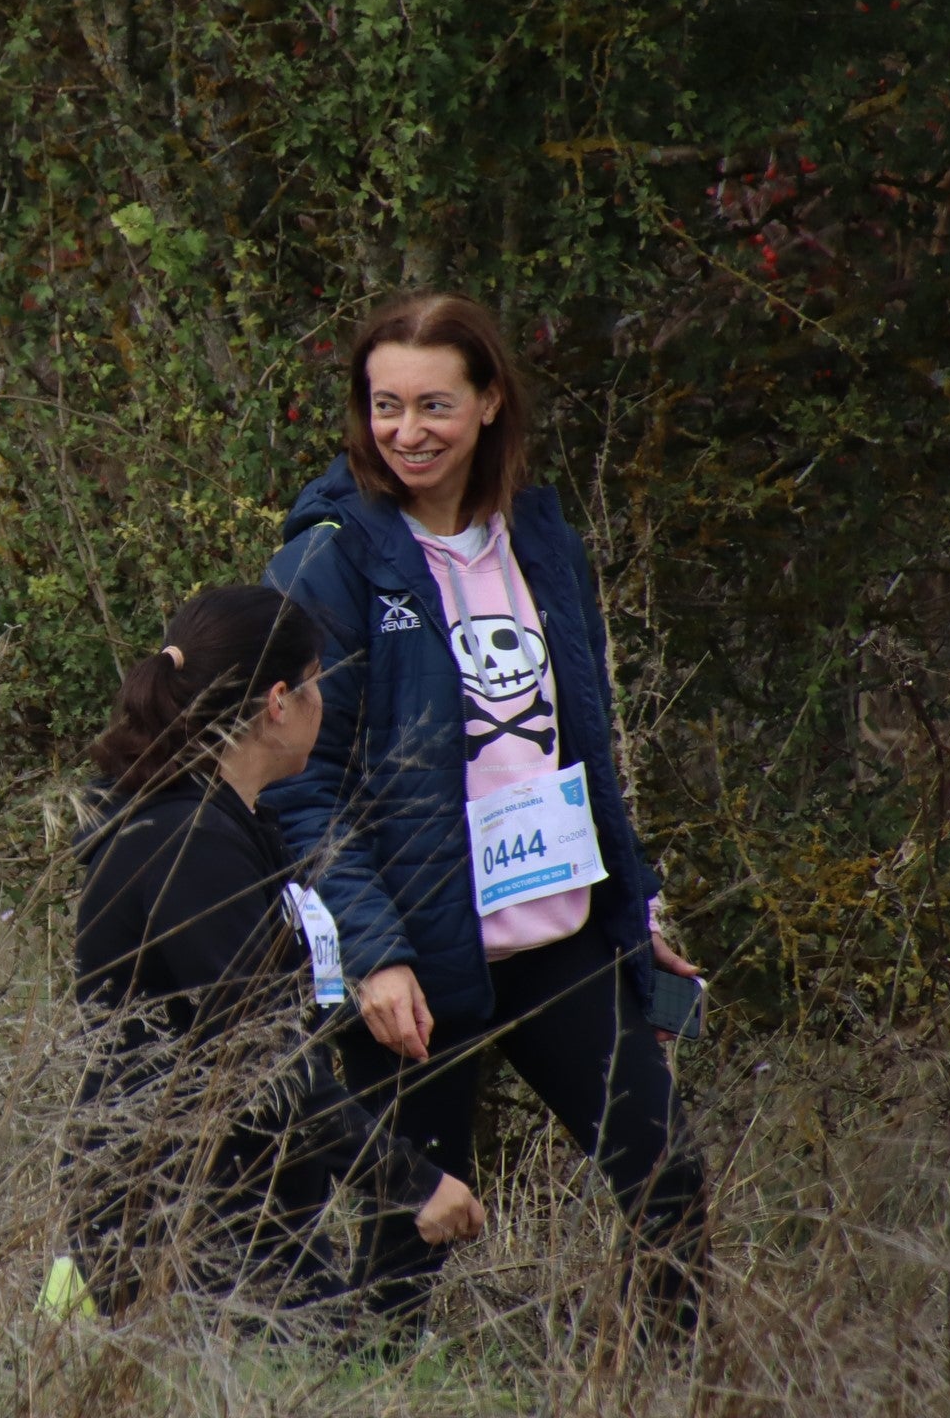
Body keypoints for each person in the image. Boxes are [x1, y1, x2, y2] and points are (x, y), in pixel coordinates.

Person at [262, 292, 709, 1331]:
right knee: (403, 1253)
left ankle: (668, 1388)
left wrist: (632, 910)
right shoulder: (332, 559)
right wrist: (376, 954)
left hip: (556, 941)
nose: (407, 431)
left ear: (491, 400)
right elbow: (299, 783)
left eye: (434, 405)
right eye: (385, 405)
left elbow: (582, 747)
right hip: (416, 960)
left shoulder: (541, 541)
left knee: (671, 1183)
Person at [71, 585, 485, 1318]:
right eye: (318, 680)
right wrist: (412, 1183)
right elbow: (260, 1061)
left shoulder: (230, 823)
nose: (324, 701)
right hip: (181, 1226)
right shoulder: (188, 843)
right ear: (278, 701)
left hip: (243, 1211)